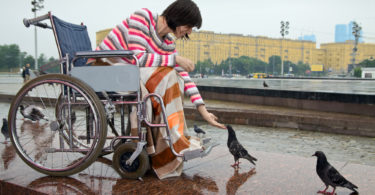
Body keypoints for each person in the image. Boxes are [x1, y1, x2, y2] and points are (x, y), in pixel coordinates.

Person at [91, 0, 225, 179]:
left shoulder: (167, 43)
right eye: (189, 26)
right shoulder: (143, 17)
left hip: (127, 75)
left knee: (174, 77)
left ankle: (172, 143)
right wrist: (175, 60)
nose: (190, 32)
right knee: (167, 76)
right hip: (104, 68)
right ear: (179, 18)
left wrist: (203, 111)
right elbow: (137, 58)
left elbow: (183, 76)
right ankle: (172, 144)